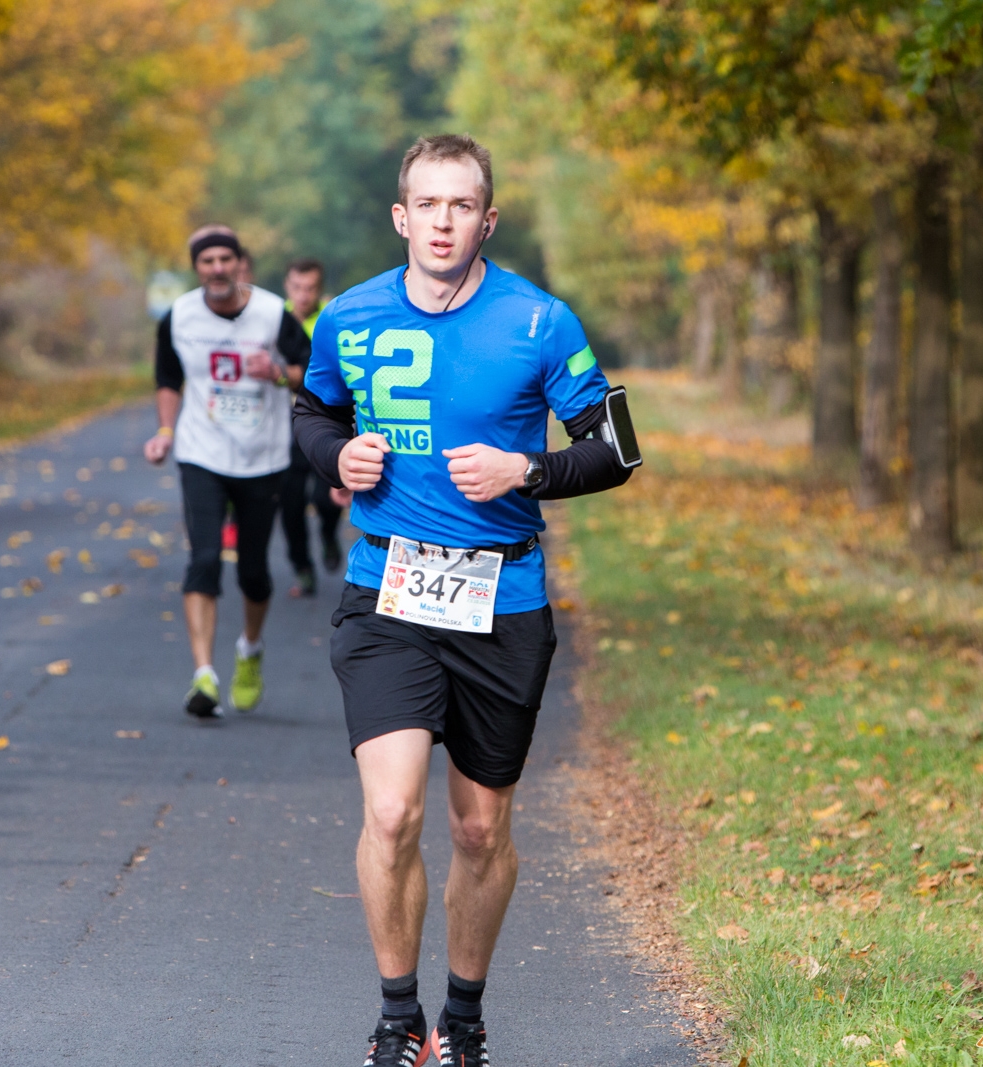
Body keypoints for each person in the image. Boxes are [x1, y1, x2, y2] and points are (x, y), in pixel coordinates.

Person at [292, 135, 633, 1066]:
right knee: (393, 814)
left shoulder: (540, 320)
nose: (443, 222)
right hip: (389, 592)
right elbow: (314, 413)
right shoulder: (348, 316)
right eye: (427, 205)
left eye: (461, 206)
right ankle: (399, 1018)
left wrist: (528, 467)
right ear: (401, 216)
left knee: (479, 827)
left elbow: (617, 450)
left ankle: (466, 1021)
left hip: (503, 596)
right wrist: (337, 456)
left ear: (488, 219)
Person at [144, 225, 311, 718]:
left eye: (225, 260)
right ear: (196, 268)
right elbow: (169, 379)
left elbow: (314, 372)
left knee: (255, 572)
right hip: (201, 451)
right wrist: (165, 431)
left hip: (263, 457)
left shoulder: (272, 314)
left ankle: (249, 650)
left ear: (239, 264)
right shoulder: (179, 317)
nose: (217, 268)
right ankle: (204, 676)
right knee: (204, 558)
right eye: (207, 261)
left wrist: (279, 373)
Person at [279, 257, 344, 597]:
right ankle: (302, 568)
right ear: (287, 286)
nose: (304, 295)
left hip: (324, 422)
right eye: (297, 287)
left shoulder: (332, 319)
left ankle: (330, 535)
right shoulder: (274, 320)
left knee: (325, 496)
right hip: (282, 428)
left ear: (319, 289)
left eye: (311, 288)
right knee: (289, 504)